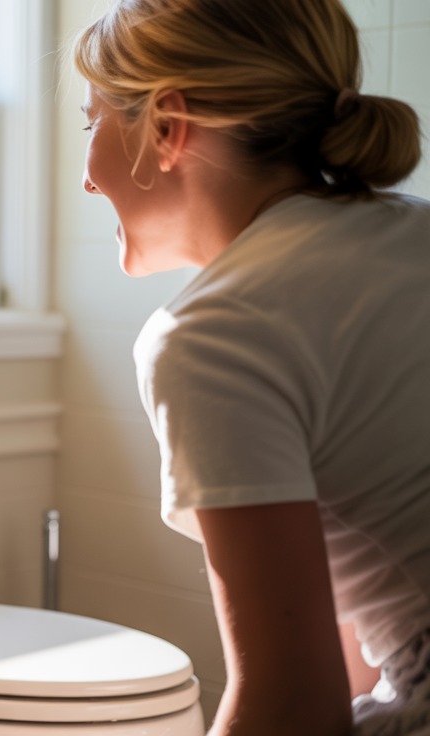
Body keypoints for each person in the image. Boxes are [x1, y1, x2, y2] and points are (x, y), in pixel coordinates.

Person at [73, 1, 429, 734]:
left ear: (167, 128)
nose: (84, 178)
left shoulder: (213, 335)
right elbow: (353, 634)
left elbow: (292, 706)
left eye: (92, 123)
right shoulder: (410, 234)